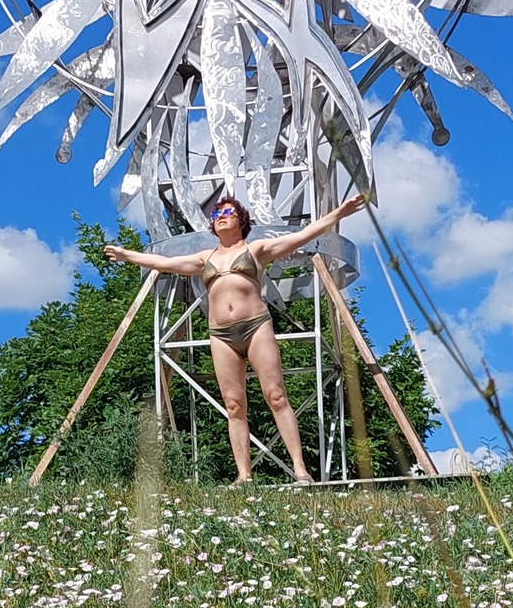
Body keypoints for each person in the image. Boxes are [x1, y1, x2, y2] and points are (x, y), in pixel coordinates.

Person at [105, 189, 364, 482]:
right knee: (234, 405)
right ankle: (244, 475)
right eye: (216, 214)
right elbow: (164, 263)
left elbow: (302, 236)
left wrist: (339, 213)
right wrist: (127, 255)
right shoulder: (205, 258)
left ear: (241, 220)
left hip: (255, 326)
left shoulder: (257, 250)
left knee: (276, 395)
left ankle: (300, 470)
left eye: (228, 213)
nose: (221, 218)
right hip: (221, 335)